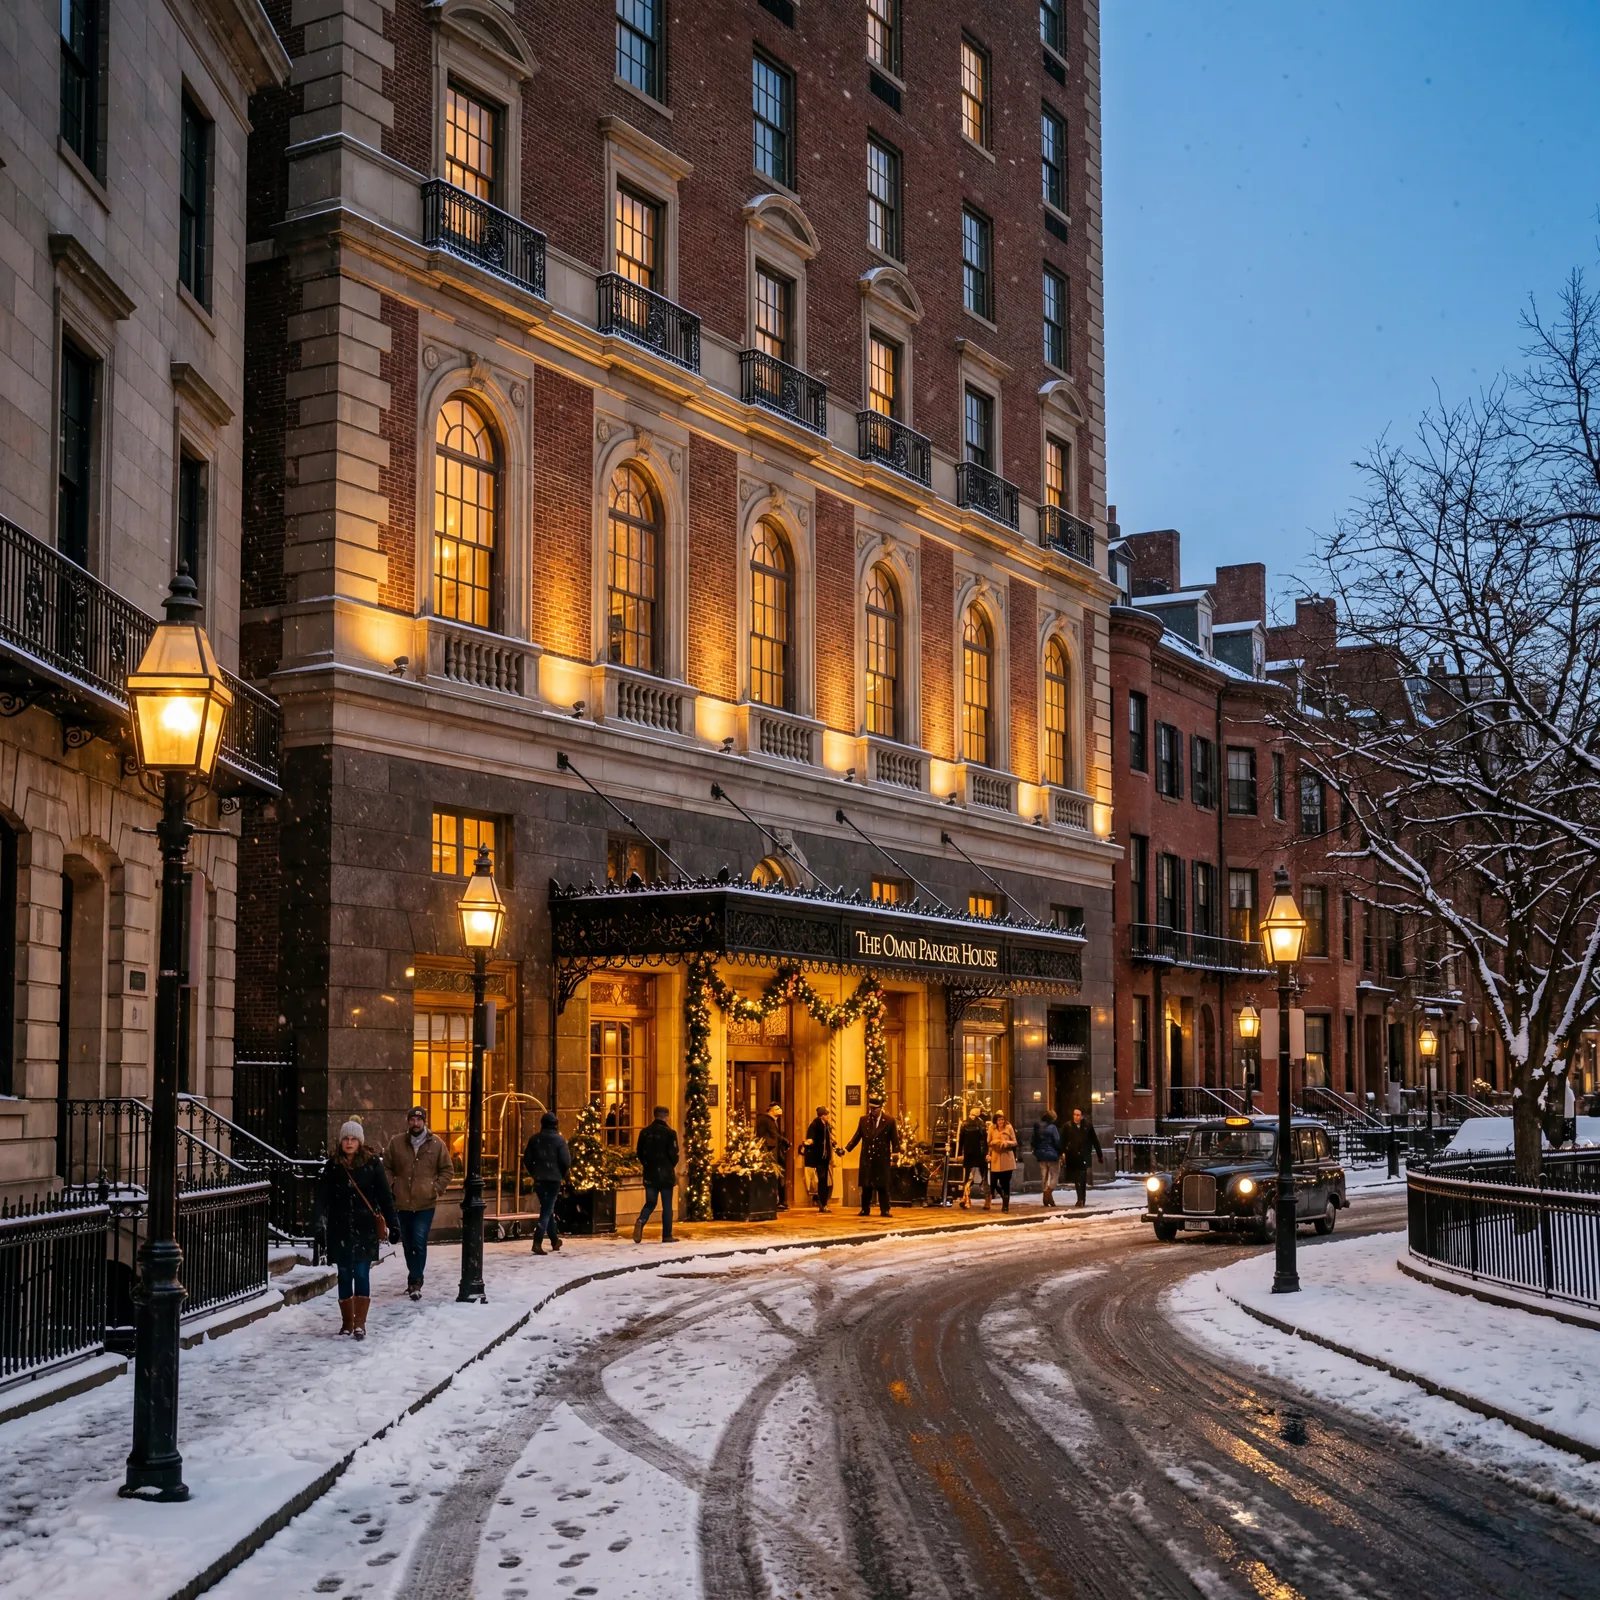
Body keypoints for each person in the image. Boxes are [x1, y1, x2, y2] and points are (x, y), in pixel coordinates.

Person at [314, 1120, 400, 1341]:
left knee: (361, 1273)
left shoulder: (372, 1164)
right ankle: (347, 1322)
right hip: (339, 1227)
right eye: (346, 1139)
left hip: (364, 1228)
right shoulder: (333, 1165)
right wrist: (318, 1225)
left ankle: (360, 1322)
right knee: (344, 1274)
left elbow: (384, 1196)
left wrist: (394, 1223)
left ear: (360, 1142)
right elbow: (322, 1198)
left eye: (353, 1139)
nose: (349, 1143)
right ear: (340, 1141)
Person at [383, 1106, 453, 1300]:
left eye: (419, 1120)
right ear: (408, 1122)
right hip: (402, 1203)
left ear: (425, 1122)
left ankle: (416, 1280)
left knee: (419, 1242)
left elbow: (447, 1170)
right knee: (408, 1244)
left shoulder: (437, 1145)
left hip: (425, 1204)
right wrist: (393, 1185)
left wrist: (435, 1188)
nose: (416, 1123)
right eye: (412, 1120)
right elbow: (386, 1167)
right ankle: (414, 1277)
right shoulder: (396, 1143)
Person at [523, 1110, 571, 1254]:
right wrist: (561, 1175)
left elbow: (527, 1160)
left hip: (539, 1179)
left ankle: (554, 1240)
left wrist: (535, 1173)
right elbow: (565, 1161)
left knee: (547, 1208)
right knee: (546, 1210)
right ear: (555, 1125)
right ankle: (537, 1241)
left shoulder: (534, 1139)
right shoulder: (559, 1140)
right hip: (553, 1179)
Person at [846, 1096, 900, 1217]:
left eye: (875, 1109)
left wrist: (896, 1154)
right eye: (871, 1108)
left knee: (882, 1186)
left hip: (882, 1158)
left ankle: (885, 1209)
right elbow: (857, 1136)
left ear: (880, 1108)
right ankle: (865, 1209)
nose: (873, 1111)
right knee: (866, 1186)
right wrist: (846, 1149)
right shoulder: (864, 1120)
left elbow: (894, 1139)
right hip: (867, 1157)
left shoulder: (889, 1121)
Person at [633, 1105, 679, 1243]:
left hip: (650, 1173)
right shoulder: (670, 1133)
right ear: (666, 1116)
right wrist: (668, 1165)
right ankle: (667, 1235)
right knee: (667, 1206)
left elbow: (639, 1153)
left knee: (651, 1202)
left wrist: (648, 1165)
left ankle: (641, 1220)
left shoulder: (645, 1132)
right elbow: (674, 1155)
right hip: (665, 1174)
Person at [1060, 1106, 1104, 1207]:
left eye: (1078, 1115)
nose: (1076, 1117)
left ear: (1082, 1116)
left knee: (1082, 1177)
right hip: (1072, 1155)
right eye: (1074, 1115)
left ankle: (1081, 1199)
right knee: (1076, 1178)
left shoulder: (1087, 1126)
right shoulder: (1068, 1126)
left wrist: (1099, 1154)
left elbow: (1095, 1140)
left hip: (1084, 1154)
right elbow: (1062, 1141)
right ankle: (1080, 1198)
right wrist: (1062, 1153)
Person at [802, 1105, 836, 1212]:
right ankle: (821, 1203)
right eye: (826, 1114)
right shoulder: (815, 1125)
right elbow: (810, 1138)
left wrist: (833, 1143)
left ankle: (823, 1203)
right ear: (821, 1115)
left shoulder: (827, 1126)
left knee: (824, 1181)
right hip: (817, 1158)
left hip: (825, 1158)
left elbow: (828, 1140)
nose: (827, 1117)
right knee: (821, 1180)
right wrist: (808, 1142)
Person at [755, 1101, 789, 1208]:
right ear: (771, 1110)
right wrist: (785, 1141)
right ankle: (774, 1201)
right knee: (773, 1174)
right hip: (770, 1150)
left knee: (778, 1175)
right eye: (777, 1109)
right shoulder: (767, 1120)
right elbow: (773, 1135)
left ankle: (779, 1201)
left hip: (775, 1150)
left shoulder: (773, 1121)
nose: (780, 1110)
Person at [957, 1110, 989, 1209]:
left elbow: (961, 1140)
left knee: (969, 1177)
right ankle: (986, 1199)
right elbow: (985, 1140)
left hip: (970, 1153)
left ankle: (966, 1198)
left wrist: (959, 1153)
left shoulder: (964, 1124)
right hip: (978, 1153)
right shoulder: (981, 1124)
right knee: (982, 1177)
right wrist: (987, 1152)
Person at [1031, 1111, 1064, 1208]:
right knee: (1054, 1176)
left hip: (1041, 1155)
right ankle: (1047, 1194)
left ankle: (1047, 1198)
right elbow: (1057, 1141)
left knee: (1044, 1177)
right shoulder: (1052, 1128)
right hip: (1052, 1154)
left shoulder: (1037, 1127)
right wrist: (1061, 1152)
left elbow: (1033, 1141)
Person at [987, 1112, 1018, 1213]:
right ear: (995, 1121)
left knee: (1005, 1183)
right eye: (999, 1120)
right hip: (995, 1158)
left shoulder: (1009, 1127)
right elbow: (988, 1142)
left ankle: (1005, 1206)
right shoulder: (992, 1128)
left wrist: (1006, 1143)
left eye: (1002, 1119)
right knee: (993, 1183)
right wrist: (994, 1142)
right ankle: (1002, 1195)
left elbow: (1015, 1142)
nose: (1001, 1121)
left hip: (1007, 1159)